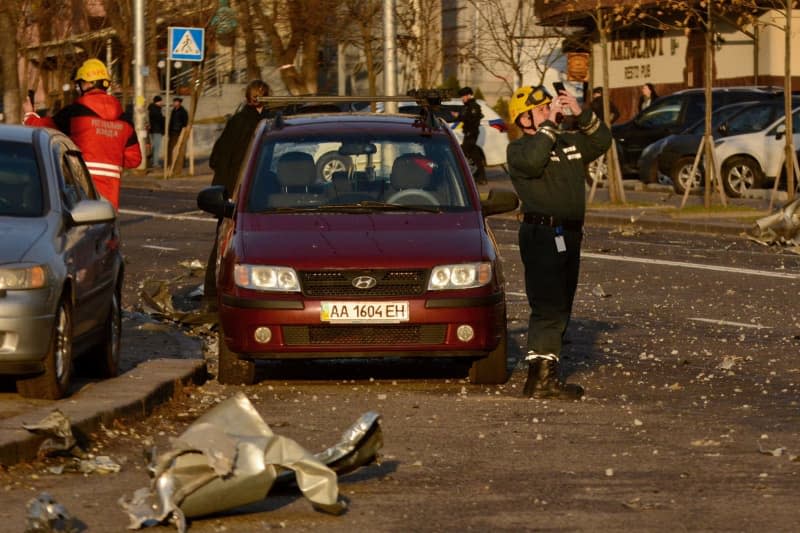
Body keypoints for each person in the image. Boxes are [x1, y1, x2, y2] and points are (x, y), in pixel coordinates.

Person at [506, 85, 612, 400]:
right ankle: (539, 381)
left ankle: (547, 373)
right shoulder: (520, 150)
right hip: (542, 234)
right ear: (524, 120)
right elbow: (535, 161)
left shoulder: (566, 143)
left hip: (568, 234)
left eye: (548, 107)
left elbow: (601, 141)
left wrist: (581, 113)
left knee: (562, 302)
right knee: (548, 304)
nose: (549, 112)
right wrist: (550, 125)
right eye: (540, 110)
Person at [23, 58, 141, 209]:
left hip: (79, 181)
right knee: (106, 228)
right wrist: (110, 153)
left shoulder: (76, 112)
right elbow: (134, 159)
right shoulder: (125, 120)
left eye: (80, 83)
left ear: (87, 84)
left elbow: (43, 127)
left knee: (79, 228)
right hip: (110, 190)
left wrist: (29, 114)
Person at [204, 79, 271, 309]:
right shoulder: (265, 124)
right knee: (237, 244)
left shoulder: (238, 121)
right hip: (247, 191)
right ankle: (217, 294)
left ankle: (212, 295)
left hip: (228, 191)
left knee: (225, 242)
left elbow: (216, 156)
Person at [455, 86, 486, 185]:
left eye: (463, 96)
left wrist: (460, 116)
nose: (462, 99)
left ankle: (463, 177)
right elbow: (467, 117)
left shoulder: (474, 106)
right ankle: (481, 177)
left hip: (471, 134)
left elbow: (472, 119)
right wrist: (459, 116)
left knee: (461, 153)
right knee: (475, 156)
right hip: (468, 133)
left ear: (468, 95)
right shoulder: (468, 106)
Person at [167, 97, 189, 171]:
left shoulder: (183, 111)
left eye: (176, 102)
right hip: (172, 131)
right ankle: (169, 163)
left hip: (179, 132)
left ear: (179, 103)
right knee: (170, 148)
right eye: (174, 102)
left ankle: (179, 163)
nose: (174, 103)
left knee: (178, 148)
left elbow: (185, 123)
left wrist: (182, 131)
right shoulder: (173, 111)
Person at [148, 95, 165, 168]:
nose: (162, 102)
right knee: (156, 147)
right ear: (158, 102)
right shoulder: (156, 109)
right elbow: (159, 120)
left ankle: (152, 161)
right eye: (161, 101)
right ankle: (155, 163)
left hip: (154, 130)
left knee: (154, 147)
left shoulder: (152, 109)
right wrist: (164, 118)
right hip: (157, 130)